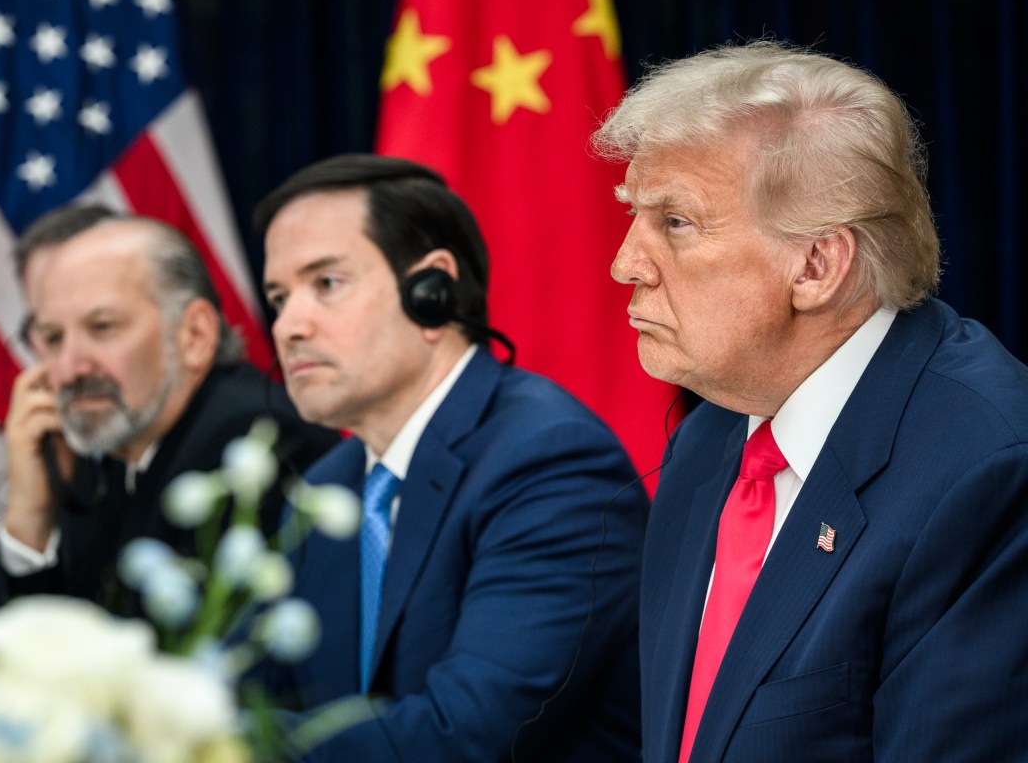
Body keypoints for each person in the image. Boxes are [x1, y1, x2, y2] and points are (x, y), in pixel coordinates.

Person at [593, 40, 1028, 762]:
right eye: (634, 216)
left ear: (817, 265)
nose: (625, 263)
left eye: (675, 223)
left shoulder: (988, 471)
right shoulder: (708, 438)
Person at [255, 154, 648, 762]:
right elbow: (249, 686)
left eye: (326, 284)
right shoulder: (326, 488)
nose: (288, 327)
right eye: (279, 298)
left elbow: (465, 736)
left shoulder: (550, 462)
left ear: (431, 292)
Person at [0, 206, 338, 641]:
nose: (70, 368)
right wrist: (29, 516)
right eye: (53, 338)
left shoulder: (254, 440)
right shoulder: (108, 450)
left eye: (103, 327)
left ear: (194, 336)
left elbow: (141, 680)